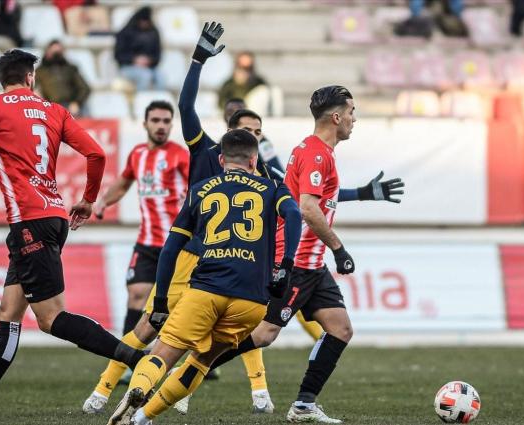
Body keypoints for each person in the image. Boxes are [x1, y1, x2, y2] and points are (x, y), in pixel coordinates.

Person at [0, 49, 146, 425]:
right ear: (31, 77)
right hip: (54, 216)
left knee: (50, 318)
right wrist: (89, 200)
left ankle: (141, 361)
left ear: (3, 78)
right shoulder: (54, 110)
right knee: (9, 314)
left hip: (28, 220)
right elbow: (95, 153)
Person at [203, 85, 405, 424]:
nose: (354, 119)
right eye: (352, 112)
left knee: (340, 329)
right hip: (295, 263)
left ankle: (304, 405)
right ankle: (194, 366)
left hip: (313, 267)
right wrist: (339, 248)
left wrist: (365, 194)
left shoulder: (318, 151)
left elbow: (317, 194)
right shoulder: (315, 153)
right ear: (337, 116)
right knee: (264, 335)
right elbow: (309, 208)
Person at [108, 129, 303, 425]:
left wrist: (160, 300)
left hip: (205, 290)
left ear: (222, 159)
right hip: (251, 302)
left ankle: (139, 388)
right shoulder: (272, 188)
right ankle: (143, 418)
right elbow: (294, 216)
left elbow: (171, 248)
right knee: (202, 361)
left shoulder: (200, 189)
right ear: (254, 161)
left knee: (162, 353)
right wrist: (285, 265)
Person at [81, 101, 189, 414]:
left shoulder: (181, 155)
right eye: (155, 120)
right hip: (147, 242)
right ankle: (129, 358)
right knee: (137, 295)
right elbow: (125, 181)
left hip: (177, 245)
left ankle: (165, 365)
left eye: (166, 121)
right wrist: (103, 202)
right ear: (145, 124)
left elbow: (198, 188)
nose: (161, 125)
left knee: (173, 308)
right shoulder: (138, 155)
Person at [35, 40, 91, 116]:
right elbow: (32, 88)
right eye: (53, 52)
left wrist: (77, 103)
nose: (56, 55)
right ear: (47, 52)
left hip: (70, 107)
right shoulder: (39, 71)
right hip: (50, 108)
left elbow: (84, 88)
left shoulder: (71, 68)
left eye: (58, 52)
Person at [115, 6, 164, 91]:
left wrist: (149, 60)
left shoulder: (153, 32)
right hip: (127, 67)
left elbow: (157, 56)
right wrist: (134, 60)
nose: (144, 24)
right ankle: (141, 101)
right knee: (145, 75)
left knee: (162, 77)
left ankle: (159, 102)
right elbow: (118, 55)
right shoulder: (125, 32)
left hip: (149, 67)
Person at [394, 0, 468, 38]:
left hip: (445, 22)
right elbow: (415, 11)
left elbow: (457, 11)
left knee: (456, 26)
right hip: (425, 22)